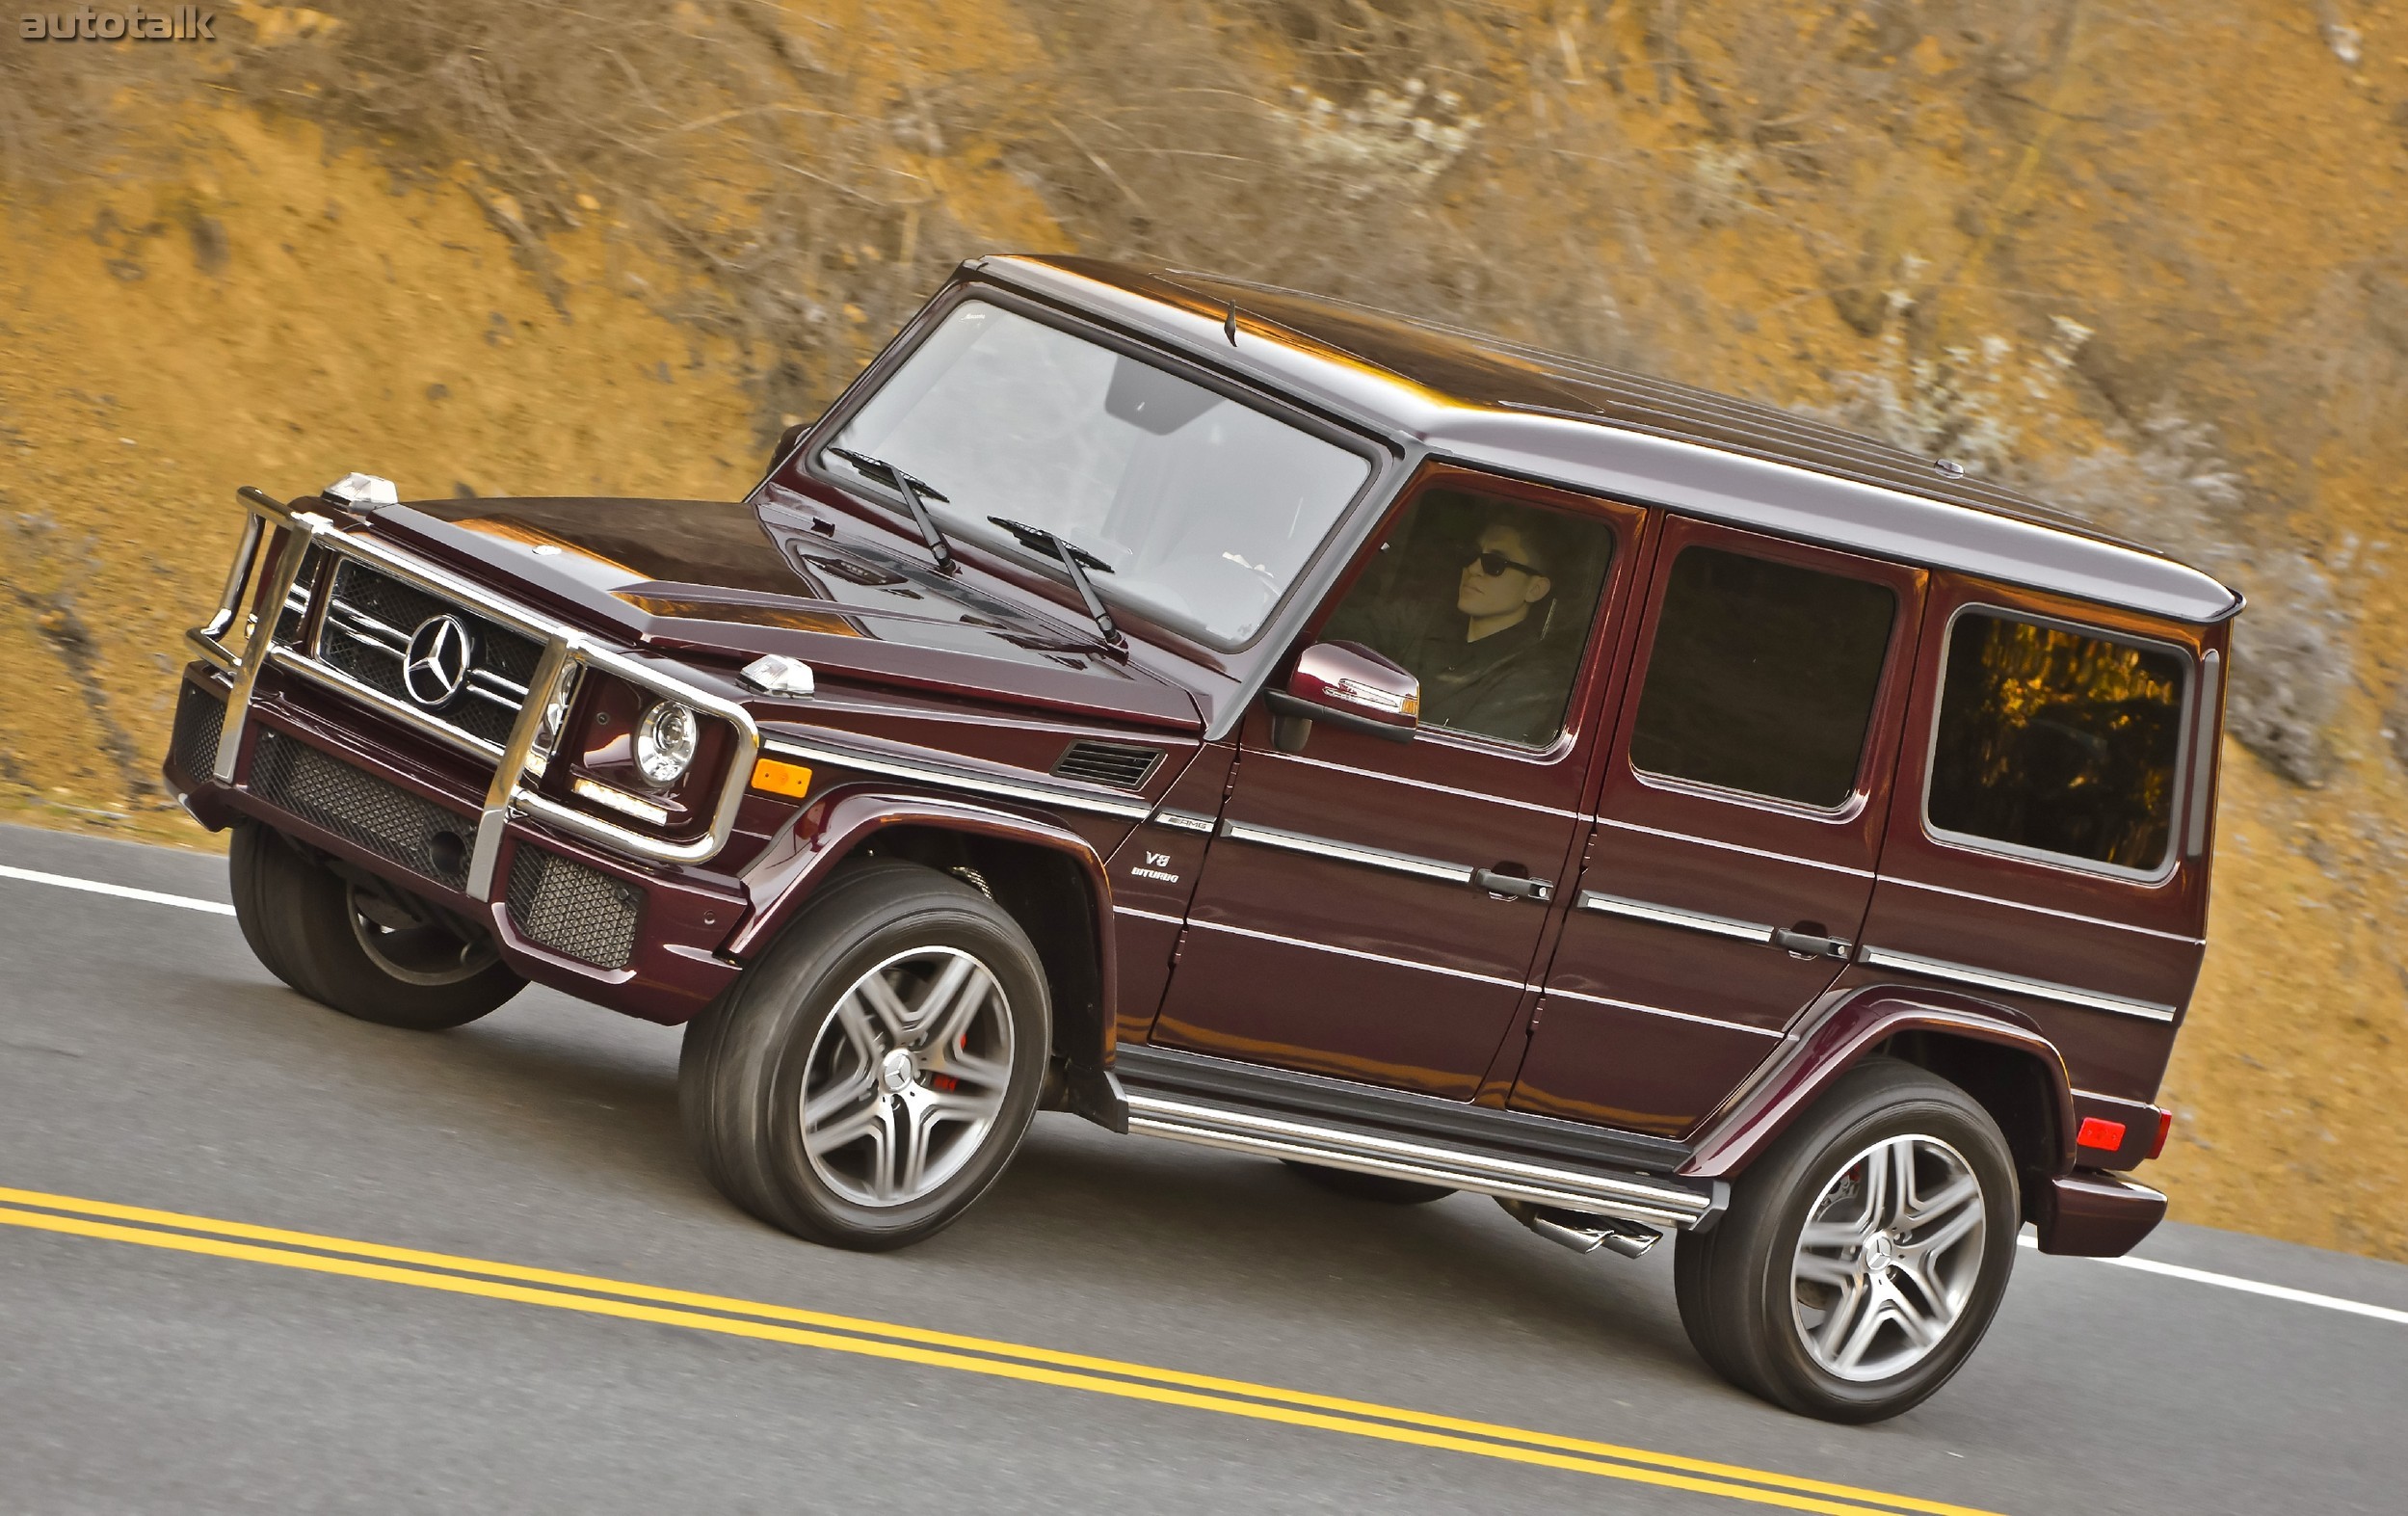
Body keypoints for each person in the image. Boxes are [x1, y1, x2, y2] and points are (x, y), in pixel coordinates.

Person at [1329, 502, 1589, 747]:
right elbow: (1340, 635)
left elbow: (1457, 759)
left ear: (1535, 589)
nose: (1474, 568)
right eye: (1472, 556)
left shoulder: (1533, 680)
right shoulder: (1420, 620)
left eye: (1494, 564)